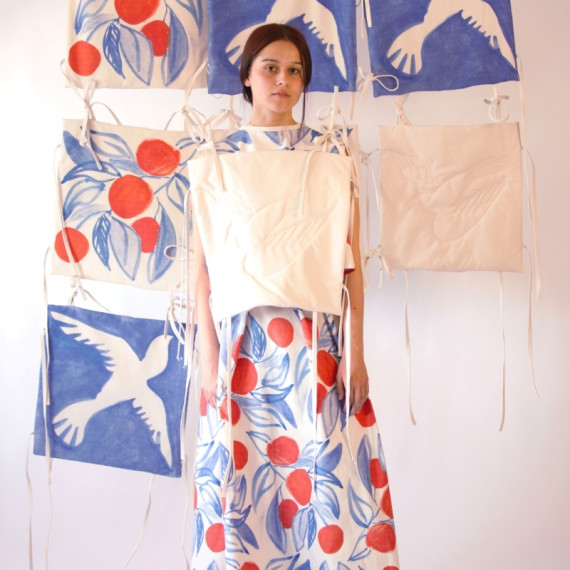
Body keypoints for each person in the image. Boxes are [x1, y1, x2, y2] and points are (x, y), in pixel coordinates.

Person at [190, 23, 399, 569]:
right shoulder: (216, 156)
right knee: (243, 483)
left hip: (316, 344)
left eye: (295, 70)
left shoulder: (332, 152)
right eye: (271, 68)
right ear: (247, 77)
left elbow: (351, 266)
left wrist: (355, 354)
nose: (283, 80)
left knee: (326, 480)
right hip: (242, 347)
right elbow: (202, 268)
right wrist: (208, 355)